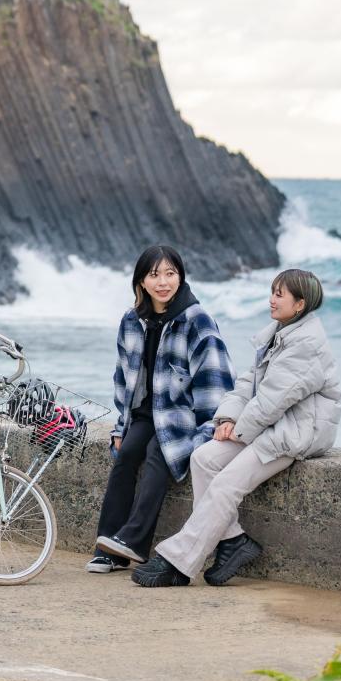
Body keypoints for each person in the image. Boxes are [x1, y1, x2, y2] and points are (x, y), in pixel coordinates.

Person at [131, 268, 341, 587]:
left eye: (279, 294)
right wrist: (228, 418)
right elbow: (249, 382)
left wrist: (240, 429)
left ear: (299, 304)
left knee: (226, 484)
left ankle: (179, 561)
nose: (271, 299)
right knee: (203, 458)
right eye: (272, 291)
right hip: (268, 425)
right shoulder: (281, 330)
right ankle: (233, 542)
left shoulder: (306, 344)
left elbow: (274, 398)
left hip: (294, 433)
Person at [88, 245, 235, 573]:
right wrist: (119, 427)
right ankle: (109, 546)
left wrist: (211, 427)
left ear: (181, 277)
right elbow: (122, 379)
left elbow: (218, 379)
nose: (163, 281)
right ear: (141, 281)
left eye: (171, 273)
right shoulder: (131, 320)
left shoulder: (197, 319)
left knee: (159, 453)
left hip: (181, 415)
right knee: (126, 456)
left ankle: (134, 542)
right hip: (145, 412)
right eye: (155, 275)